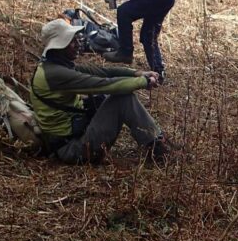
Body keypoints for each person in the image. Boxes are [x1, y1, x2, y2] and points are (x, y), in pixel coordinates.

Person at [31, 18, 169, 164]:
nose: (78, 44)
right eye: (72, 41)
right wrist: (143, 82)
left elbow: (104, 72)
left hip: (73, 140)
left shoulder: (54, 66)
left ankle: (156, 141)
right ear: (59, 47)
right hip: (71, 150)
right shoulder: (56, 74)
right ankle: (157, 148)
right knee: (122, 99)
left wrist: (138, 73)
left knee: (103, 98)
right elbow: (105, 84)